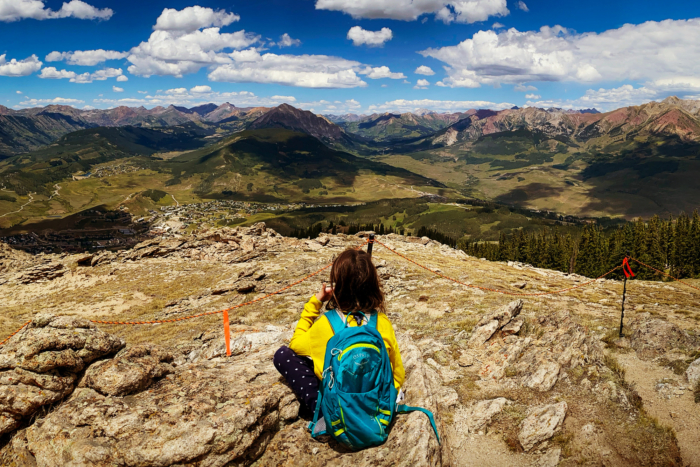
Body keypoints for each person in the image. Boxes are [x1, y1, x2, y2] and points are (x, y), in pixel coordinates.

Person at [273, 248, 405, 418]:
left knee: (283, 355)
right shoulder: (382, 323)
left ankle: (321, 413)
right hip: (376, 405)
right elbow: (398, 373)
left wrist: (315, 303)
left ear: (337, 285)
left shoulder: (326, 324)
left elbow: (295, 345)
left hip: (340, 409)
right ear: (373, 284)